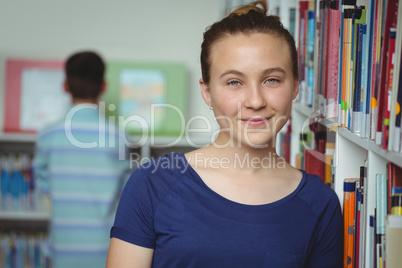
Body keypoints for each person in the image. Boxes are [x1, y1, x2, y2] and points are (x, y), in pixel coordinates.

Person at [106, 1, 343, 267]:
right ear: (207, 91)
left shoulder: (320, 204)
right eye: (234, 82)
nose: (255, 101)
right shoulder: (151, 185)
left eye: (272, 80)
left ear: (295, 87)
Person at [33, 51, 129, 268]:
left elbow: (42, 181)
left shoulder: (48, 135)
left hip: (62, 248)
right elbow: (128, 188)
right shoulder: (120, 137)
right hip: (108, 250)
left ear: (65, 86)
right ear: (104, 86)